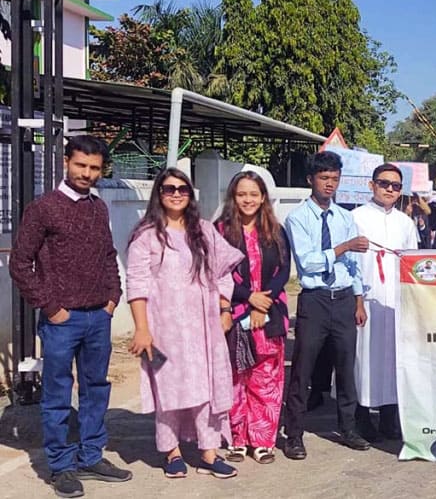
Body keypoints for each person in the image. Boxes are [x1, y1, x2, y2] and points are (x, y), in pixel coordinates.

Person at [9, 135, 133, 497]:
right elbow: (20, 264)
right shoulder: (44, 208)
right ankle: (61, 466)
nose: (87, 173)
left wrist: (113, 297)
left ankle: (91, 456)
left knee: (96, 391)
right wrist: (49, 307)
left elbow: (109, 256)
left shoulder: (99, 208)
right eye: (81, 165)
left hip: (99, 317)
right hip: (62, 321)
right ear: (67, 162)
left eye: (94, 168)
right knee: (58, 394)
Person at [126, 168, 244, 479]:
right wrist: (142, 329)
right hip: (162, 328)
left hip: (204, 328)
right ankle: (171, 451)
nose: (176, 193)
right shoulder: (147, 236)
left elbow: (222, 273)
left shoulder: (204, 231)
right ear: (159, 194)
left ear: (190, 194)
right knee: (168, 388)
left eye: (182, 189)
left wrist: (224, 308)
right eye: (169, 189)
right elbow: (136, 284)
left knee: (207, 387)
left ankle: (209, 450)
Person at [282, 151, 372, 460]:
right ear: (311, 180)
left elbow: (353, 266)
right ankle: (293, 433)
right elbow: (308, 263)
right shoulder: (298, 218)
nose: (329, 184)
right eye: (324, 178)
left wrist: (359, 300)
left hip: (344, 298)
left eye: (334, 178)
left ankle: (348, 428)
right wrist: (345, 246)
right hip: (316, 300)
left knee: (346, 368)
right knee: (303, 370)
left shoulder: (345, 217)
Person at [214, 171, 291, 465]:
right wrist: (248, 298)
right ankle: (236, 439)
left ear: (263, 198)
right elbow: (217, 272)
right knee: (235, 378)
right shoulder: (220, 230)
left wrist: (262, 304)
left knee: (265, 379)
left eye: (254, 194)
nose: (248, 200)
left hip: (269, 314)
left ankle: (261, 441)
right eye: (242, 194)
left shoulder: (275, 229)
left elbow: (284, 271)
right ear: (234, 197)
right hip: (232, 313)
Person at [351, 164, 420, 441]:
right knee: (363, 358)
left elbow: (413, 262)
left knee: (394, 358)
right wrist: (356, 299)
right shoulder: (355, 217)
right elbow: (350, 263)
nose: (390, 189)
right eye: (384, 183)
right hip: (366, 298)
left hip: (396, 299)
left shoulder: (405, 222)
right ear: (372, 185)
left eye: (395, 186)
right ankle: (362, 416)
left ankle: (391, 416)